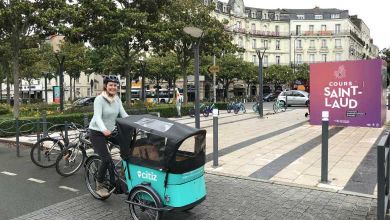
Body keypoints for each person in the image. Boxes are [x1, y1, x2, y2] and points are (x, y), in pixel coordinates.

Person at [88, 75, 128, 197]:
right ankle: (99, 183)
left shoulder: (117, 99)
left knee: (128, 149)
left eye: (115, 85)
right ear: (106, 86)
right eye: (111, 85)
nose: (113, 87)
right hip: (97, 132)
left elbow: (124, 114)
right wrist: (104, 129)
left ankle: (122, 175)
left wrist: (135, 122)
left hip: (110, 132)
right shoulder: (99, 99)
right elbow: (98, 117)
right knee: (106, 159)